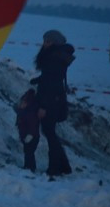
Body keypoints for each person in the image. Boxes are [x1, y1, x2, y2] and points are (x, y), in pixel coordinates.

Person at [31, 30, 74, 177]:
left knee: (50, 133)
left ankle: (55, 168)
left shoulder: (53, 58)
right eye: (44, 41)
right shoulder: (56, 56)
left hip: (51, 101)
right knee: (50, 133)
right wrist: (38, 80)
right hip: (55, 99)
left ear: (55, 43)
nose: (44, 44)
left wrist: (43, 107)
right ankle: (64, 166)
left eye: (48, 41)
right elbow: (51, 77)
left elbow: (52, 84)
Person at [15, 88, 40, 172]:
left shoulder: (29, 113)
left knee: (29, 152)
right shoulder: (24, 112)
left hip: (32, 136)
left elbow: (33, 125)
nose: (21, 104)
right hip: (27, 135)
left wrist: (30, 135)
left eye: (23, 103)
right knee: (27, 151)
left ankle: (30, 168)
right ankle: (28, 167)